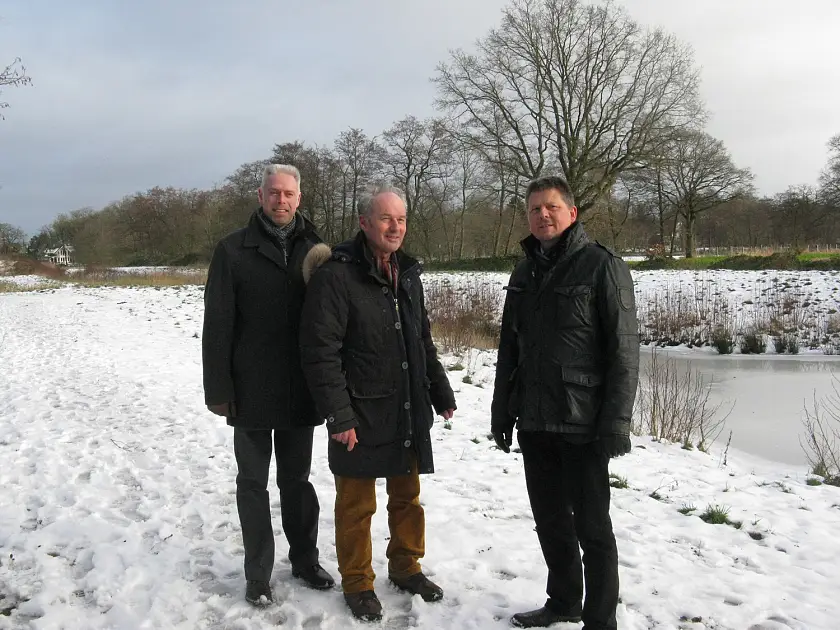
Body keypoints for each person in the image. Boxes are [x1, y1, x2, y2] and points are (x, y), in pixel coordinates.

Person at [299, 185, 456, 623]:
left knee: (408, 498)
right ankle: (358, 582)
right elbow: (320, 352)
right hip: (359, 412)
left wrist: (439, 390)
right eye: (386, 219)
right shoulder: (336, 275)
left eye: (401, 219)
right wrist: (339, 414)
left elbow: (420, 339)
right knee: (356, 506)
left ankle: (406, 568)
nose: (395, 227)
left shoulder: (407, 273)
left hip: (406, 407)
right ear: (365, 223)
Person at [490, 175, 639, 630]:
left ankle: (600, 620)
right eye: (535, 209)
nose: (543, 216)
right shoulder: (523, 271)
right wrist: (502, 408)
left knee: (593, 529)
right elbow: (509, 348)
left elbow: (624, 350)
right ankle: (564, 601)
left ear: (572, 213)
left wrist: (616, 422)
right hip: (535, 419)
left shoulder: (601, 266)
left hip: (583, 421)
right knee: (550, 522)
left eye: (552, 207)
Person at [202, 164, 336, 607]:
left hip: (301, 386)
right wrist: (218, 389)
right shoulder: (233, 250)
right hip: (250, 388)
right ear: (260, 196)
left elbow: (334, 321)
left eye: (289, 194)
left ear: (300, 198)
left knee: (297, 481)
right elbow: (217, 325)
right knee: (252, 484)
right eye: (273, 193)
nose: (281, 201)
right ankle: (258, 573)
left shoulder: (318, 251)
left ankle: (305, 560)